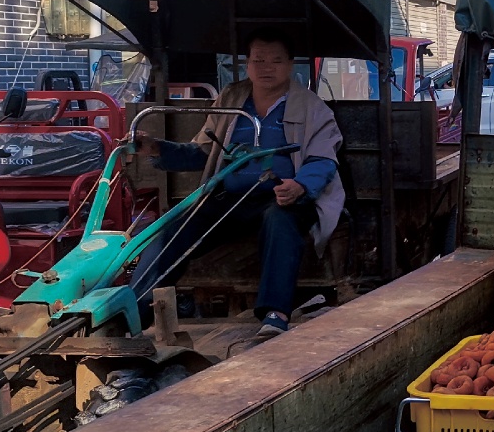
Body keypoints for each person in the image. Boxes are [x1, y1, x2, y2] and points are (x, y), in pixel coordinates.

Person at [132, 29, 345, 339]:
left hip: (283, 197)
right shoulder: (232, 99)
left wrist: (299, 186)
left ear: (290, 65)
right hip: (229, 197)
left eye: (276, 61)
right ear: (247, 64)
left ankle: (275, 315)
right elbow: (203, 152)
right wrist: (157, 149)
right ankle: (131, 314)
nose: (266, 68)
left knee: (280, 220)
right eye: (258, 60)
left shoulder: (312, 107)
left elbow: (323, 159)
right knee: (173, 229)